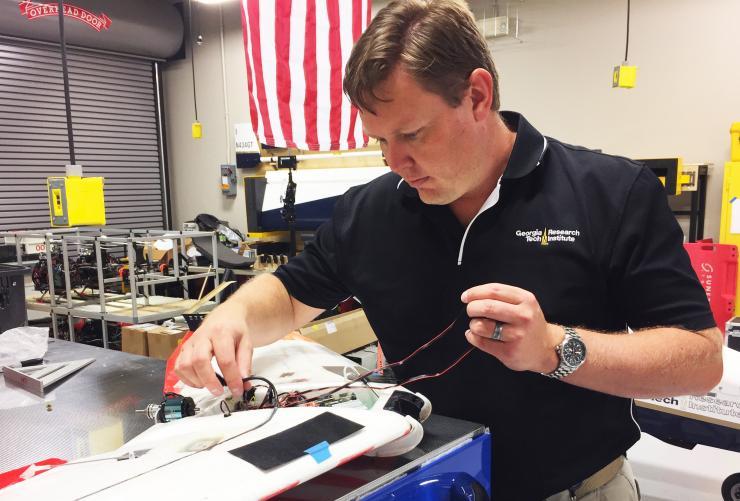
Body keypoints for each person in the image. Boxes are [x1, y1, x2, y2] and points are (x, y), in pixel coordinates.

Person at [175, 1, 723, 499]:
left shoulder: (611, 193)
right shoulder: (370, 211)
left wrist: (555, 349)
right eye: (380, 141)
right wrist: (231, 316)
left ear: (478, 96)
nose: (395, 162)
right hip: (426, 485)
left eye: (412, 134)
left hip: (576, 490)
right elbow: (293, 293)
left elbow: (699, 363)